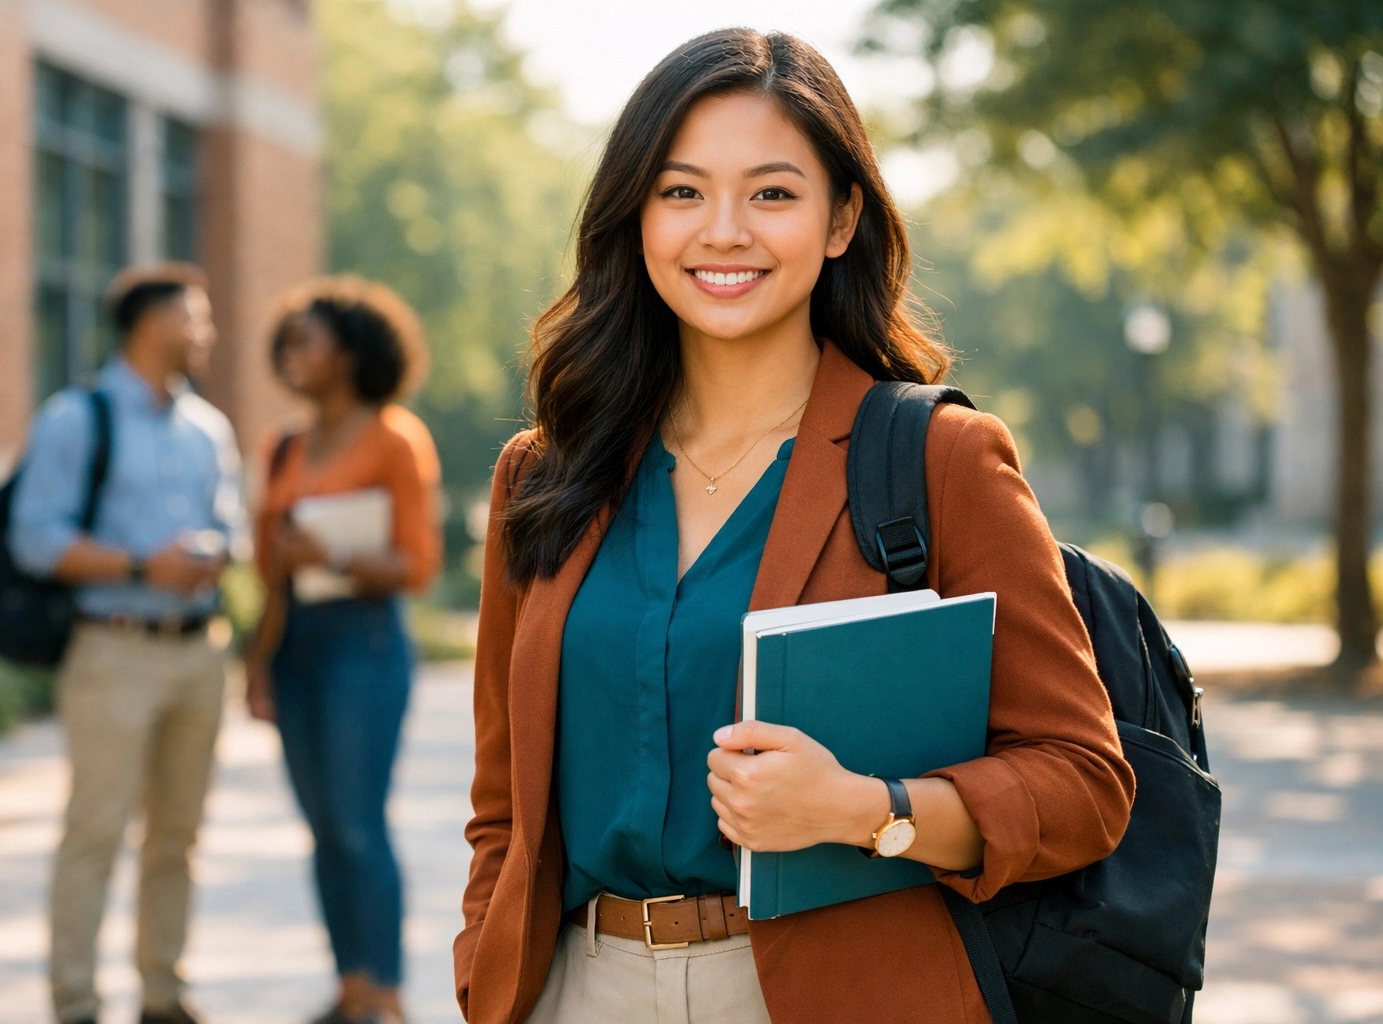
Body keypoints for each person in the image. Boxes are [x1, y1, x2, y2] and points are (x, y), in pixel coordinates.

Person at [455, 28, 1136, 1024]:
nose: (722, 230)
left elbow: (1084, 783)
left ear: (840, 218)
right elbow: (502, 805)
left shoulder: (941, 460)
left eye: (772, 193)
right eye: (681, 191)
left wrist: (869, 811)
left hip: (836, 992)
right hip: (577, 985)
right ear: (634, 217)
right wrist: (486, 970)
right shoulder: (545, 475)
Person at [11, 263, 244, 1024]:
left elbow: (232, 524)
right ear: (153, 324)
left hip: (198, 652)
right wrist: (146, 564)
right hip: (112, 649)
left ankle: (162, 994)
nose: (206, 333)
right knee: (97, 830)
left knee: (178, 835)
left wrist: (214, 552)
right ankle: (74, 1001)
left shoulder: (209, 429)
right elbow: (36, 538)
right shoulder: (76, 419)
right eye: (196, 318)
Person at [243, 277, 443, 1024]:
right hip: (294, 647)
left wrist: (331, 556)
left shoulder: (395, 438)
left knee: (359, 824)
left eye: (307, 340)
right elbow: (269, 571)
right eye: (285, 342)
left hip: (364, 643)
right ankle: (348, 987)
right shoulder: (282, 447)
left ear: (351, 352)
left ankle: (385, 994)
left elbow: (417, 564)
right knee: (322, 827)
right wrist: (257, 662)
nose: (291, 354)